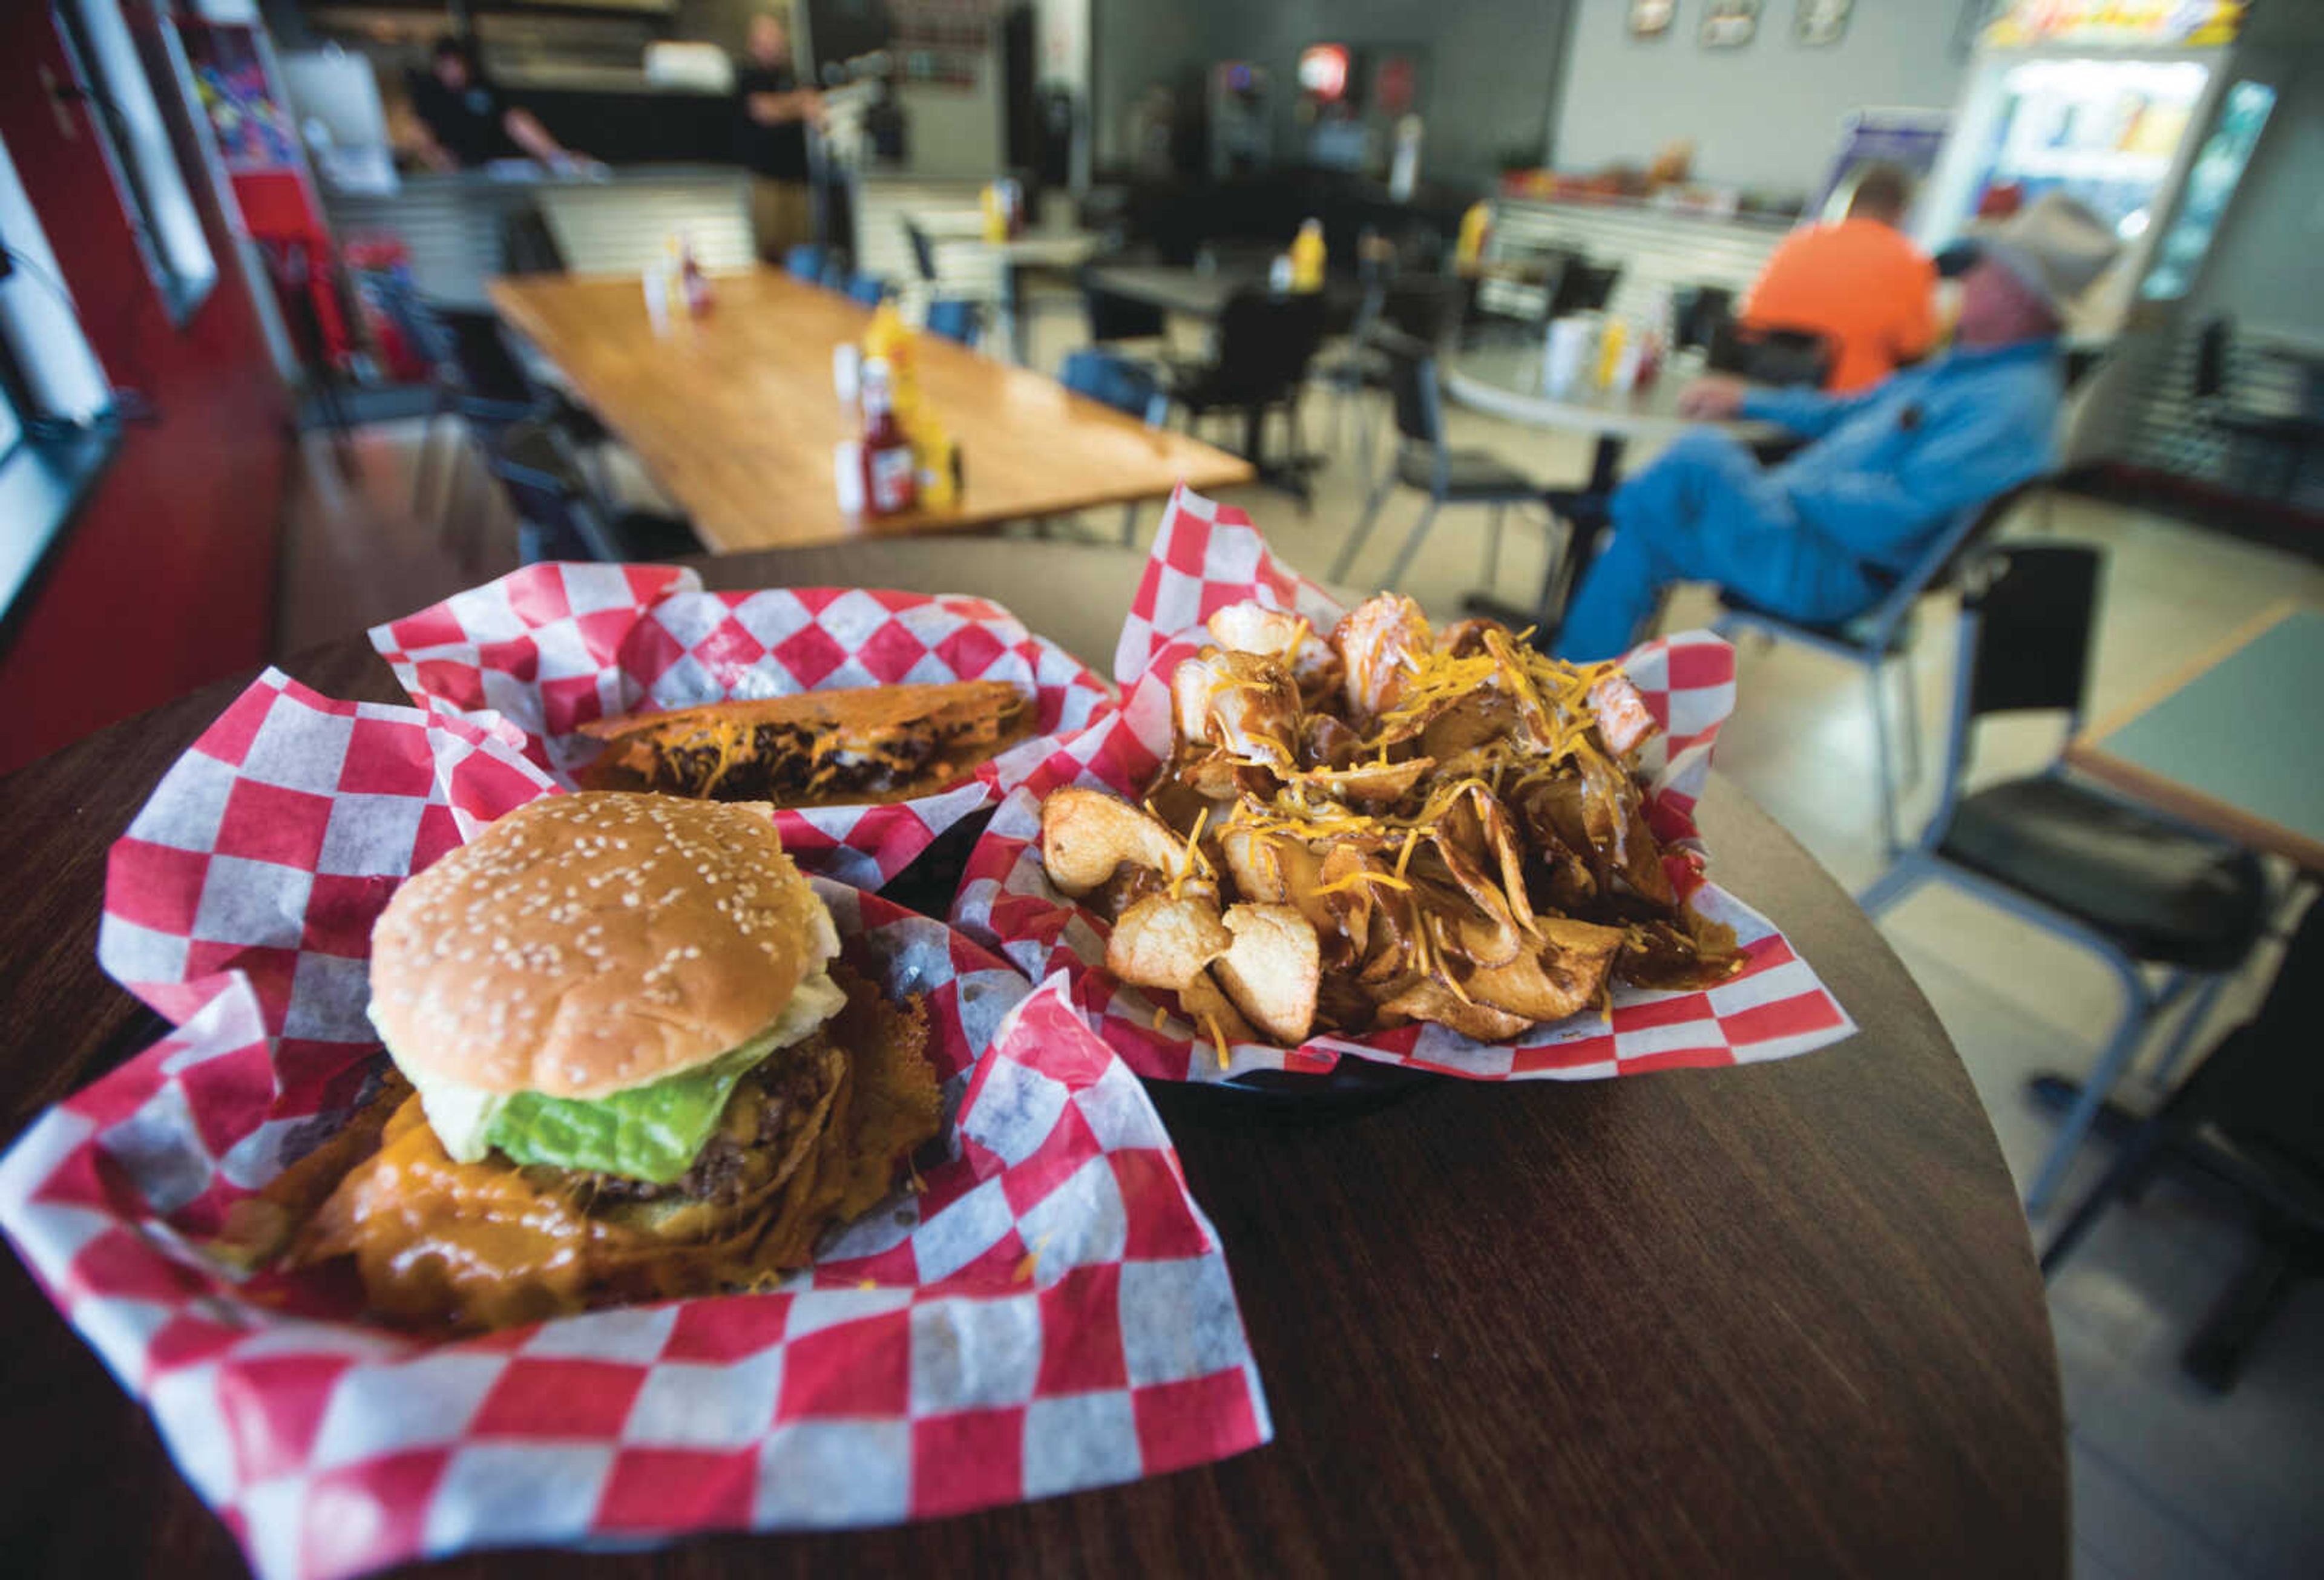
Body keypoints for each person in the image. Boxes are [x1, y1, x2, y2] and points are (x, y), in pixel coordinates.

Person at [1552, 194, 2118, 664]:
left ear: (2022, 301)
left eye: (1986, 271)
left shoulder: (2012, 404)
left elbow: (1897, 513)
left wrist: (1779, 489)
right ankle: (1571, 686)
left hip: (1830, 568)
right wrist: (1750, 399)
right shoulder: (1972, 367)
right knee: (1645, 533)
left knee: (1701, 456)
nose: (1968, 280)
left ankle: (1594, 519)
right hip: (1802, 535)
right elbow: (1846, 410)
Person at [1738, 161, 1936, 394]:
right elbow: (1913, 348)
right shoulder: (1910, 260)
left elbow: (1750, 319)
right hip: (1847, 402)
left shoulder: (1798, 242)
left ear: (1847, 201)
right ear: (1901, 211)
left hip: (1764, 385)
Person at [403, 35, 581, 172]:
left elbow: (513, 120)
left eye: (458, 65)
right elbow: (422, 135)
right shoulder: (429, 94)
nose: (455, 72)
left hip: (495, 162)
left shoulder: (483, 88)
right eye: (448, 66)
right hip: (457, 168)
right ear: (438, 68)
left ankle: (560, 160)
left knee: (517, 117)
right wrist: (442, 161)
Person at [735, 10, 825, 262]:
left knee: (802, 255)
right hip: (767, 181)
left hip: (799, 181)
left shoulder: (794, 77)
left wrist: (790, 106)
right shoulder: (748, 76)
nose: (773, 44)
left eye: (775, 38)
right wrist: (798, 105)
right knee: (769, 254)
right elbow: (765, 111)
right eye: (766, 39)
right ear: (755, 45)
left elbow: (816, 109)